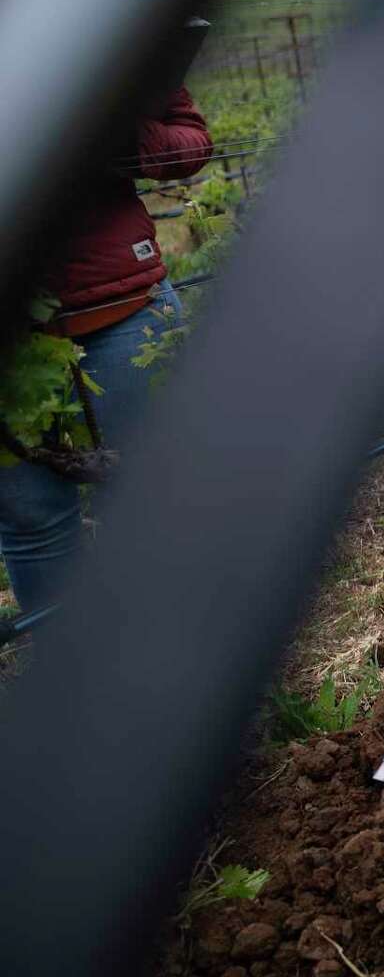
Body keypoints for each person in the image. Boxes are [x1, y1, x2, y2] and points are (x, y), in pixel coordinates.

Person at [0, 84, 210, 620]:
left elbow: (191, 140)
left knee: (151, 495)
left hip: (124, 308)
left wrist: (128, 137)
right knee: (33, 519)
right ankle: (74, 679)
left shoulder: (97, 15)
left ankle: (177, 653)